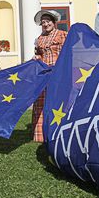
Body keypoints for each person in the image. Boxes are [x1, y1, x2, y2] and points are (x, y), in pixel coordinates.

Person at [31, 10, 67, 142]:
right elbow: (40, 54)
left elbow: (68, 53)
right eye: (43, 22)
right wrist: (37, 57)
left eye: (48, 21)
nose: (45, 24)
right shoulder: (39, 39)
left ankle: (60, 130)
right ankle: (40, 134)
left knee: (58, 100)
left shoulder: (62, 35)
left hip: (59, 72)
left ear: (54, 22)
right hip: (44, 73)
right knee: (42, 101)